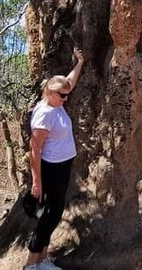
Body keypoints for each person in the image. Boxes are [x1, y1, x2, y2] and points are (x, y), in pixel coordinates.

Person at [24, 48, 85, 270]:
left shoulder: (55, 103)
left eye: (67, 95)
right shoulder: (45, 113)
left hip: (62, 166)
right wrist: (37, 181)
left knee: (54, 212)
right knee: (50, 215)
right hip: (51, 169)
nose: (66, 98)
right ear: (50, 92)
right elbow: (34, 150)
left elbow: (68, 82)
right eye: (62, 95)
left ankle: (43, 259)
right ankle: (32, 263)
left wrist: (80, 62)